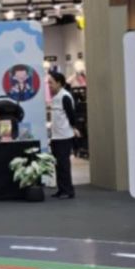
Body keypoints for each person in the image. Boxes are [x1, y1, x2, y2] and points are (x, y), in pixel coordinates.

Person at [46, 69, 78, 198]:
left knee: (64, 165)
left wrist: (74, 128)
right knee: (58, 165)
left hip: (64, 136)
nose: (49, 85)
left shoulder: (65, 96)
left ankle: (68, 191)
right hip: (56, 136)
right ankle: (61, 189)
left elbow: (71, 115)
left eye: (51, 82)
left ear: (59, 83)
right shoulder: (55, 97)